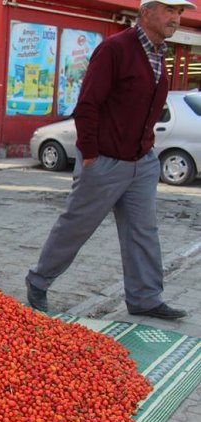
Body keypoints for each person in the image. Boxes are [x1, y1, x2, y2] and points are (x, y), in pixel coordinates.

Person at [25, 0, 193, 320]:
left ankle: (145, 298)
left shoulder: (159, 52)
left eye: (179, 12)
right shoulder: (115, 49)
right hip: (105, 161)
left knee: (143, 231)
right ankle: (38, 281)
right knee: (77, 226)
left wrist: (147, 147)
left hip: (141, 161)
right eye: (169, 10)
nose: (176, 18)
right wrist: (89, 154)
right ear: (146, 12)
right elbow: (88, 104)